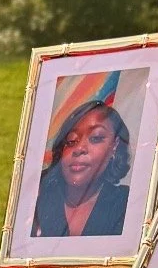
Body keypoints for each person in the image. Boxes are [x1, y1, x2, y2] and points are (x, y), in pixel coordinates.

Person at [32, 99, 132, 239]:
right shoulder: (35, 197)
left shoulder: (128, 204)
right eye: (71, 141)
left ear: (114, 146)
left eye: (96, 138)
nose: (79, 149)